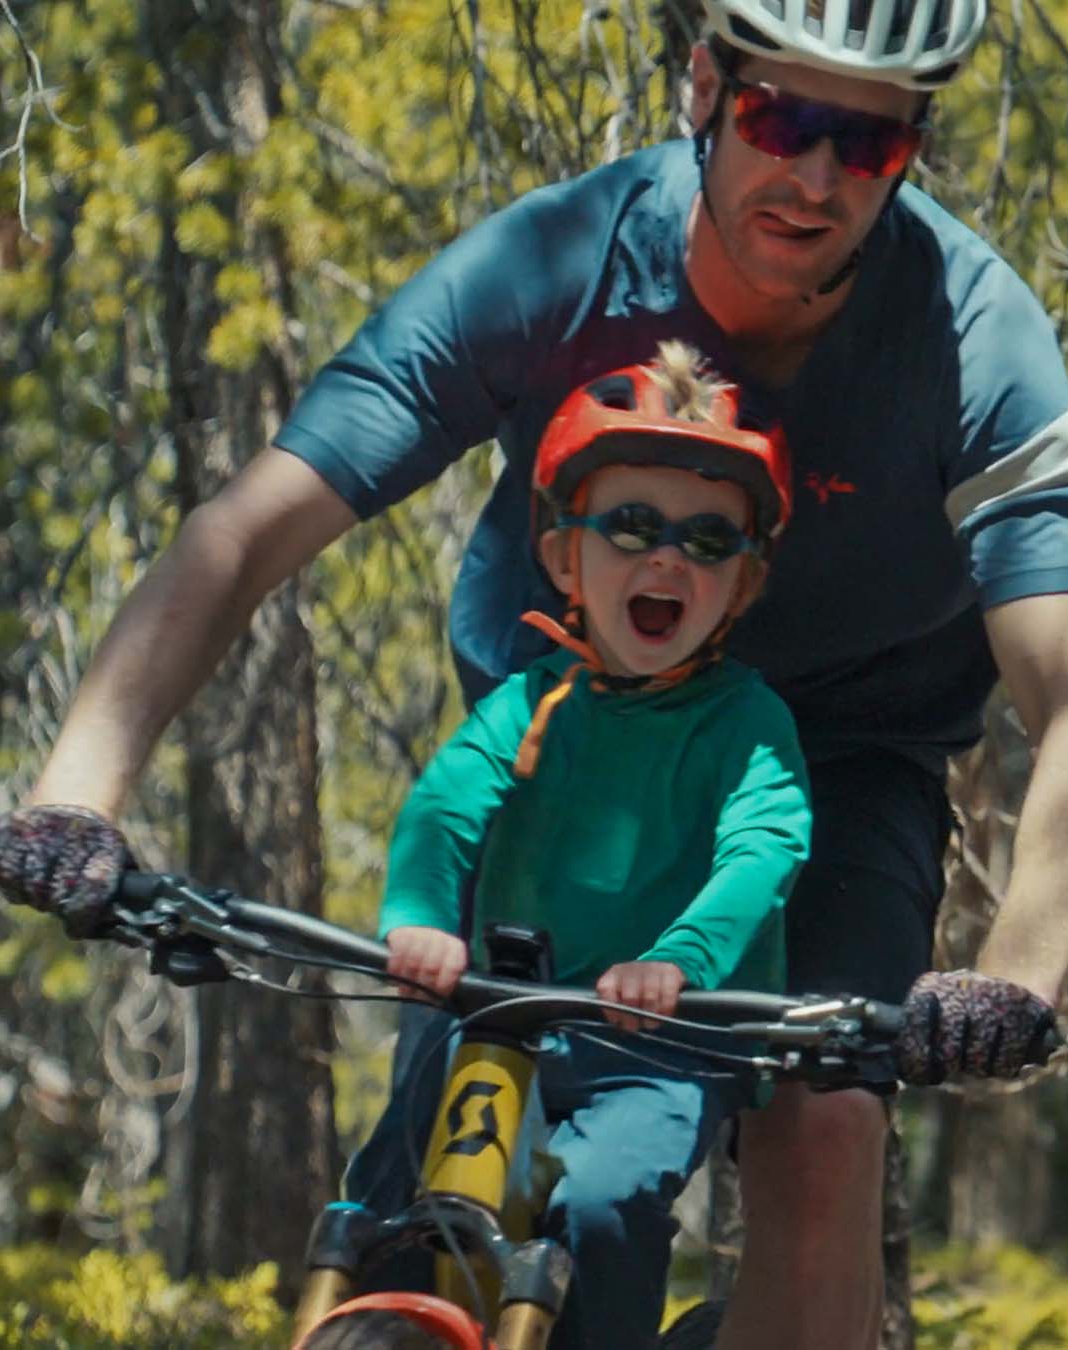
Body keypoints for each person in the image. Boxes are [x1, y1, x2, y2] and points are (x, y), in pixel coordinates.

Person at [0, 0, 1068, 1343]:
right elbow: (245, 533)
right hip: (571, 731)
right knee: (462, 1104)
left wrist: (1015, 972)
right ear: (703, 86)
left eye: (869, 145)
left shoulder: (976, 337)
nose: (817, 177)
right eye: (783, 121)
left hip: (833, 768)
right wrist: (77, 792)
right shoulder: (555, 261)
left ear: (913, 149)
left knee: (824, 1129)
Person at [325, 343, 807, 1349]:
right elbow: (446, 808)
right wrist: (417, 921)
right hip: (505, 1019)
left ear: (746, 585)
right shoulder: (526, 703)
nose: (665, 559)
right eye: (630, 526)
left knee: (596, 1205)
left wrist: (680, 960)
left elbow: (764, 848)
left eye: (708, 540)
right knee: (392, 1205)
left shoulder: (747, 722)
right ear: (562, 559)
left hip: (659, 1047)